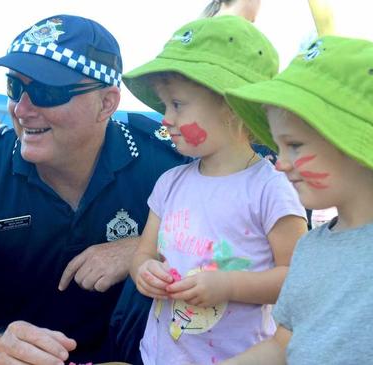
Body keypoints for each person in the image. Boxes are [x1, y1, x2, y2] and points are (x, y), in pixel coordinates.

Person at [0, 15, 190, 365]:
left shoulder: (168, 163)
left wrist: (146, 247)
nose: (22, 109)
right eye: (15, 88)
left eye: (47, 91)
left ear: (107, 103)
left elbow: (254, 236)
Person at [222, 36, 373, 364]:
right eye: (278, 147)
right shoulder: (310, 248)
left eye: (295, 145)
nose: (280, 162)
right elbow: (281, 346)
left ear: (361, 145)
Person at [123, 16, 308, 364]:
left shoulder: (270, 189)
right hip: (159, 355)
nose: (165, 118)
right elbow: (143, 255)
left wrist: (229, 286)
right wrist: (144, 272)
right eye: (165, 106)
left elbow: (298, 281)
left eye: (177, 104)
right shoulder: (170, 183)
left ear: (232, 105)